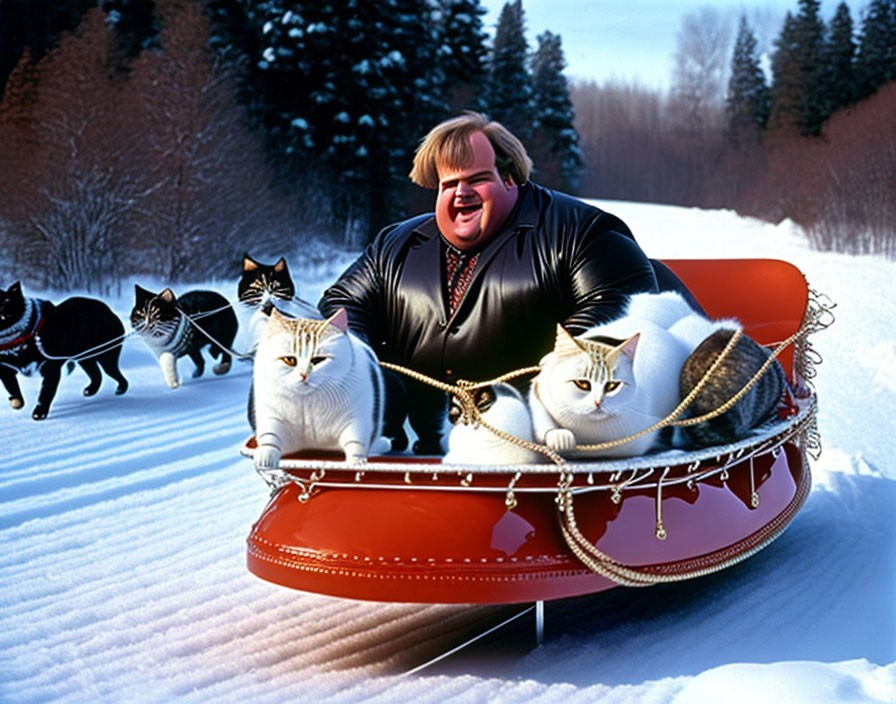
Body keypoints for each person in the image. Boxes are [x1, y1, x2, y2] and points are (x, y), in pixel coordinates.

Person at [320, 112, 697, 453]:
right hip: (419, 451)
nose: (461, 193)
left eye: (476, 180)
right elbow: (342, 306)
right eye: (448, 184)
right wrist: (366, 375)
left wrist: (518, 404)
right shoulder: (393, 245)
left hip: (545, 450)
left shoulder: (585, 232)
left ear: (510, 176)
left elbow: (618, 317)